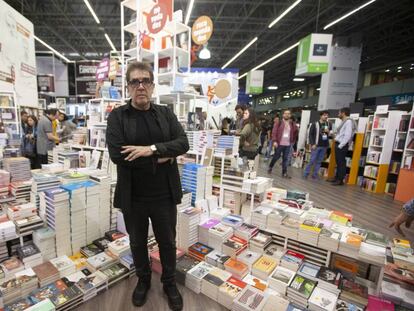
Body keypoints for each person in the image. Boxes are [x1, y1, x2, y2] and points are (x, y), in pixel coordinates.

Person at [106, 61, 189, 311]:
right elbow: (117, 154)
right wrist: (164, 155)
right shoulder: (118, 116)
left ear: (152, 85)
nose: (140, 86)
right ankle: (143, 280)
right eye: (135, 82)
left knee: (167, 241)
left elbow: (183, 143)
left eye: (145, 81)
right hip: (134, 196)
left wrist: (149, 149)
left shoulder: (165, 113)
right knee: (137, 242)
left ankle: (169, 282)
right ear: (128, 87)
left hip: (164, 194)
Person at [267, 109, 298, 178]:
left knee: (285, 159)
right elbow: (274, 132)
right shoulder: (279, 122)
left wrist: (293, 141)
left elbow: (295, 132)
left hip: (288, 144)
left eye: (288, 114)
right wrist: (274, 141)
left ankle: (284, 173)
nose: (287, 115)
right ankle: (270, 167)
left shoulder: (292, 124)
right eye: (285, 113)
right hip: (279, 143)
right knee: (276, 157)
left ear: (290, 115)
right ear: (283, 115)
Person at [329, 107, 354, 186]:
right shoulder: (344, 121)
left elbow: (347, 135)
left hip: (341, 145)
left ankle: (340, 180)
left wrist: (340, 145)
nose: (338, 114)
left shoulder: (348, 122)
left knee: (341, 163)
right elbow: (341, 134)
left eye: (339, 113)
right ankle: (337, 178)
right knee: (338, 162)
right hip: (338, 144)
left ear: (343, 113)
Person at [304, 111, 332, 179]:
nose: (326, 116)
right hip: (316, 145)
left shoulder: (328, 124)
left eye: (327, 115)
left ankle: (315, 175)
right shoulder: (315, 124)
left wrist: (329, 132)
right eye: (324, 115)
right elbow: (310, 134)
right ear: (321, 116)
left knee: (319, 161)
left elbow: (328, 134)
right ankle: (306, 173)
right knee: (312, 160)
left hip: (324, 145)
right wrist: (312, 143)